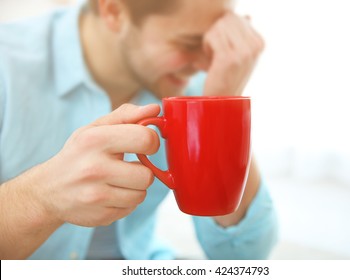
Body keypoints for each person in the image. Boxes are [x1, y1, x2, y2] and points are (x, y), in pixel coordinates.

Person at [0, 0, 278, 260]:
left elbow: (244, 258)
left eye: (213, 45)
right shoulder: (7, 63)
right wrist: (39, 198)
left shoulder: (190, 82)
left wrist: (221, 104)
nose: (206, 65)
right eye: (190, 43)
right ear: (113, 12)